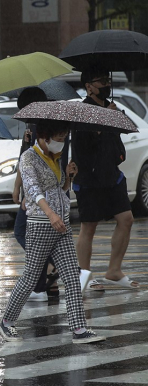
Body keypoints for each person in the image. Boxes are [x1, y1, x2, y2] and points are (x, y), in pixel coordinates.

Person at [0, 120, 104, 344]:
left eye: (64, 138)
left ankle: (78, 329)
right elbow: (33, 190)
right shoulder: (28, 157)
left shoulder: (56, 158)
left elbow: (59, 189)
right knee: (30, 278)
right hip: (40, 225)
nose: (62, 142)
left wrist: (68, 177)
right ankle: (6, 322)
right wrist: (50, 214)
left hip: (61, 226)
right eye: (58, 138)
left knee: (72, 278)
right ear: (44, 137)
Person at [73, 69, 138, 291]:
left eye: (107, 80)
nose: (105, 84)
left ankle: (114, 270)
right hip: (89, 177)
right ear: (89, 86)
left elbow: (126, 131)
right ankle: (84, 274)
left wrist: (115, 117)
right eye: (101, 81)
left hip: (112, 175)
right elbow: (82, 146)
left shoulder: (110, 107)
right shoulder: (82, 111)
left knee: (126, 219)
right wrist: (104, 123)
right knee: (89, 226)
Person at [11, 87, 60, 301]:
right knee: (39, 236)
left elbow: (34, 164)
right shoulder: (35, 128)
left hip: (39, 195)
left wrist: (24, 193)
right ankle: (49, 286)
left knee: (23, 233)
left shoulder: (41, 130)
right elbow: (25, 161)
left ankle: (50, 270)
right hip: (40, 193)